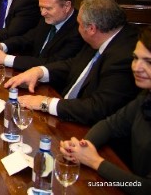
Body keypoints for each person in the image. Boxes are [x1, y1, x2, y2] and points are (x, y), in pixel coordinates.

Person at [4, 0, 139, 125]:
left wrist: (45, 103)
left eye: (79, 24)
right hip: (65, 109)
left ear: (91, 29)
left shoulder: (124, 57)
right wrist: (40, 71)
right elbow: (74, 64)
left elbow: (98, 108)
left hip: (86, 129)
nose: (77, 28)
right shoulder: (103, 35)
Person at [59, 27, 151, 195]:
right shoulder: (146, 97)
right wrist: (80, 147)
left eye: (148, 62)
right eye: (135, 58)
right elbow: (110, 125)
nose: (137, 67)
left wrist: (95, 161)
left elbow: (146, 188)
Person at [0, 0, 84, 71]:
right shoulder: (50, 17)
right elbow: (28, 38)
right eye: (41, 7)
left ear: (66, 6)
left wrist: (6, 59)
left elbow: (51, 63)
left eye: (48, 8)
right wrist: (3, 46)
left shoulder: (79, 31)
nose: (42, 13)